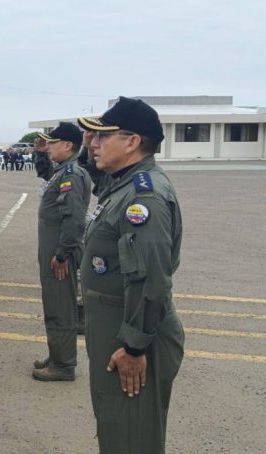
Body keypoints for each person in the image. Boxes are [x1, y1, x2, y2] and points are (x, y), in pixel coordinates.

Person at [76, 97, 185, 453]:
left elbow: (150, 278)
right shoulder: (122, 183)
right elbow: (92, 171)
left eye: (102, 137)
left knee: (131, 434)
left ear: (133, 141)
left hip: (131, 329)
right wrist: (87, 143)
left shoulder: (144, 198)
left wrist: (135, 347)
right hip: (115, 322)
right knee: (116, 423)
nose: (93, 144)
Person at [32, 122, 91, 382]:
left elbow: (74, 219)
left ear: (67, 145)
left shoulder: (71, 175)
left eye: (52, 143)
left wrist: (62, 254)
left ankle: (63, 364)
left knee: (61, 305)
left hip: (60, 251)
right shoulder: (63, 170)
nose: (48, 148)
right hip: (55, 247)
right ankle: (57, 354)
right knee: (55, 301)